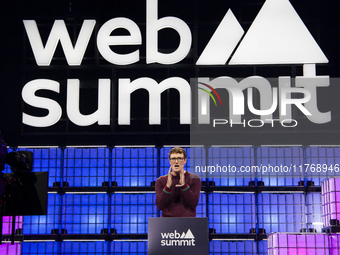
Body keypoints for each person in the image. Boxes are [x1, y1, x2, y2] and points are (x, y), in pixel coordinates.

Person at [155, 147, 201, 217]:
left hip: (188, 224)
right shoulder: (161, 181)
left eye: (179, 158)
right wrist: (168, 187)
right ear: (170, 161)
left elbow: (194, 203)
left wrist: (183, 185)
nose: (176, 162)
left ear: (185, 160)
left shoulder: (194, 179)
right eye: (173, 159)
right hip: (167, 224)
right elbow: (160, 206)